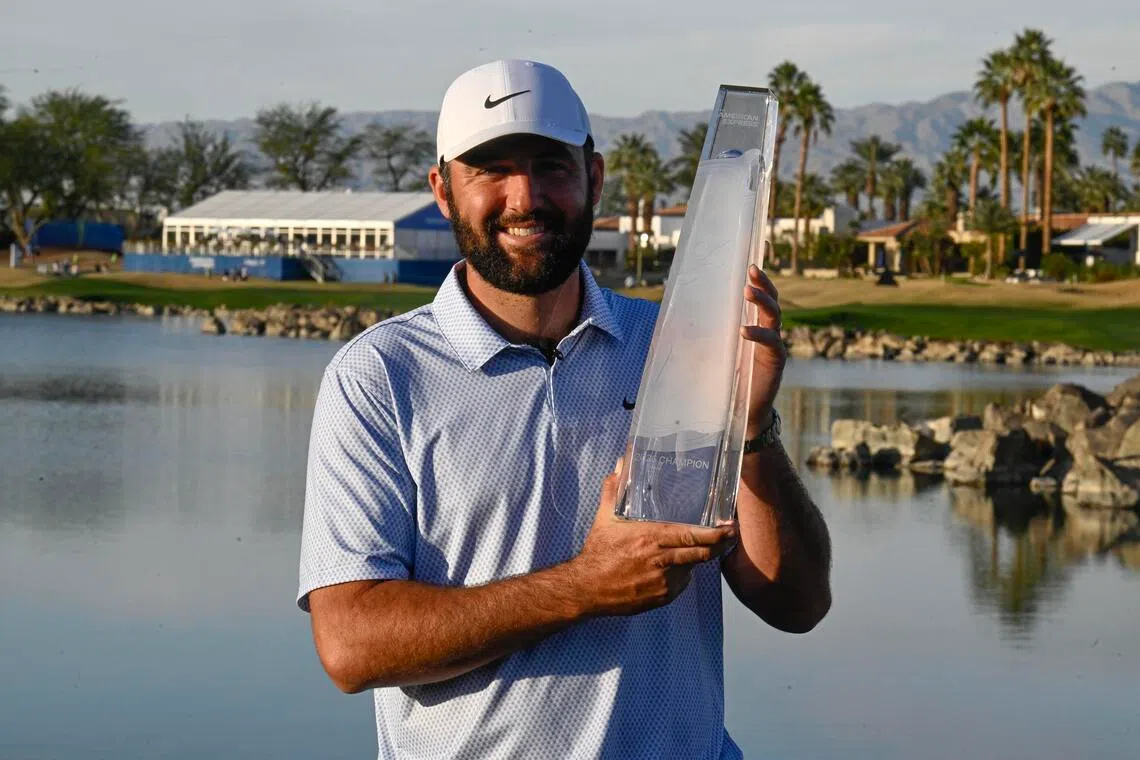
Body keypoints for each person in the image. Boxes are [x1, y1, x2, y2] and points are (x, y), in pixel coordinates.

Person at [297, 58, 832, 759]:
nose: (525, 197)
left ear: (594, 178)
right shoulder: (378, 377)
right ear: (442, 190)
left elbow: (797, 604)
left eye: (550, 166)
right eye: (490, 169)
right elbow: (351, 645)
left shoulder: (679, 347)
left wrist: (752, 428)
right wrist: (584, 586)